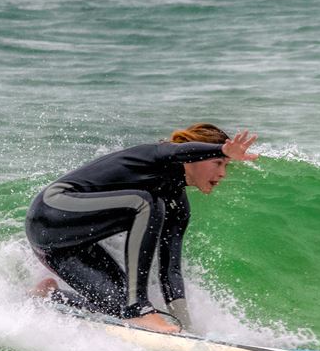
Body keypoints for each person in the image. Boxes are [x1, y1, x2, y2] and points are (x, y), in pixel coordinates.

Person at [24, 124, 260, 334]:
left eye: (226, 166)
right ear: (192, 157)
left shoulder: (178, 206)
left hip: (65, 247)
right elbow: (177, 152)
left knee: (117, 307)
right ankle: (139, 308)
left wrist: (187, 330)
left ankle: (52, 297)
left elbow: (171, 270)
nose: (222, 173)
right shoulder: (157, 155)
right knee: (145, 203)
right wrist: (221, 150)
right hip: (51, 211)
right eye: (218, 163)